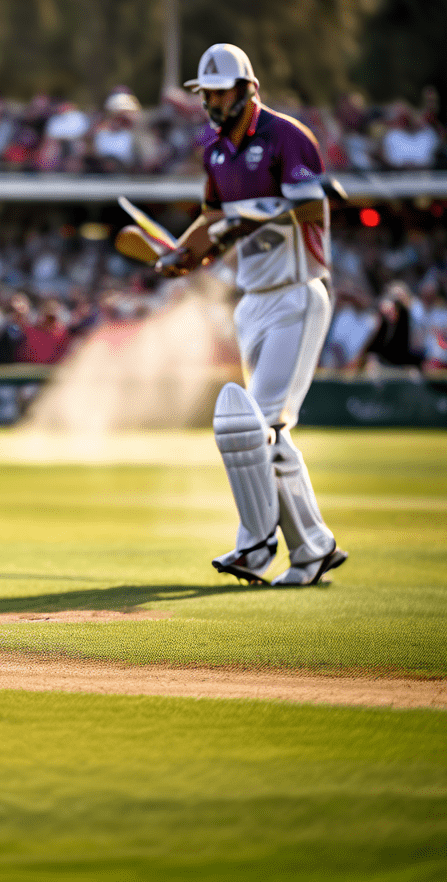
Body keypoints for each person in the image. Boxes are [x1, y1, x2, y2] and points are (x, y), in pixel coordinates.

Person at [155, 43, 347, 587]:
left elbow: (311, 205)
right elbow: (212, 220)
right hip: (253, 300)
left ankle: (256, 545)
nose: (213, 102)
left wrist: (245, 222)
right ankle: (313, 548)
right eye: (207, 93)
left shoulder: (287, 136)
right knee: (274, 435)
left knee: (251, 426)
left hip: (298, 292)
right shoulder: (214, 152)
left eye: (222, 91)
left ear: (249, 89)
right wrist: (182, 256)